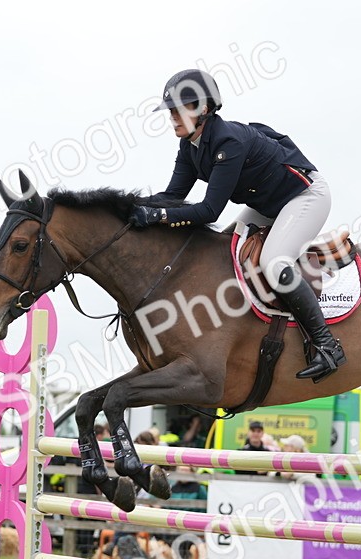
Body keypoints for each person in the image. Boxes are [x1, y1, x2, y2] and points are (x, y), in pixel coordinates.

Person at [131, 69, 342, 382]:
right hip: (268, 205)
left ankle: (326, 345)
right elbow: (172, 197)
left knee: (273, 262)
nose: (172, 117)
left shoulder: (228, 142)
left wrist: (157, 217)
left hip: (305, 197)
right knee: (225, 249)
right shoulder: (189, 147)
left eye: (178, 110)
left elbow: (209, 211)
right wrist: (130, 208)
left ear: (203, 109)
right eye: (170, 111)